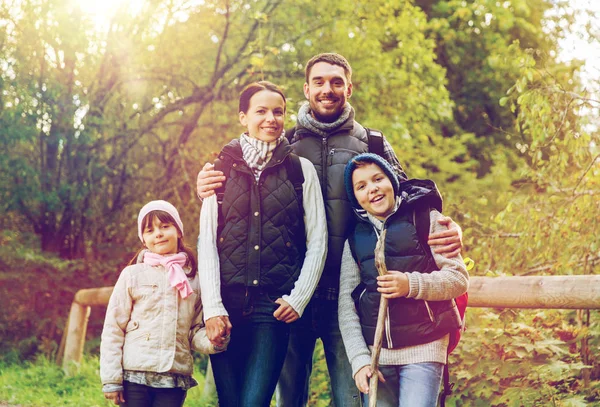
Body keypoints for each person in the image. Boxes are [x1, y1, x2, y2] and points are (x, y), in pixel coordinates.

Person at [196, 53, 462, 406]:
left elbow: (407, 199)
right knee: (289, 396)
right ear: (306, 89)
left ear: (349, 88)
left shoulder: (373, 143)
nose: (328, 89)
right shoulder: (282, 145)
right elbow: (239, 202)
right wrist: (203, 184)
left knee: (351, 396)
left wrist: (446, 225)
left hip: (351, 294)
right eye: (319, 82)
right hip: (290, 293)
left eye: (336, 82)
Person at [197, 81, 327, 407]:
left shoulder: (301, 171)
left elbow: (318, 241)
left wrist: (299, 298)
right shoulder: (220, 170)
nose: (271, 118)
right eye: (261, 111)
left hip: (273, 307)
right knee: (230, 402)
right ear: (243, 117)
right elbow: (207, 244)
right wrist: (212, 308)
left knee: (254, 401)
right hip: (226, 305)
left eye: (278, 112)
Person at [339, 153, 469, 406]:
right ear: (355, 198)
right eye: (361, 186)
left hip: (425, 348)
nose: (372, 188)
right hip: (376, 356)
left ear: (393, 181)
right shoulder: (354, 239)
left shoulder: (426, 219)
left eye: (378, 179)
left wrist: (411, 285)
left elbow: (458, 279)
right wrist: (359, 360)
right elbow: (346, 304)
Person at [100, 200, 221, 407]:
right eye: (150, 230)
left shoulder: (195, 279)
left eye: (165, 226)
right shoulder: (132, 275)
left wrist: (214, 340)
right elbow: (113, 329)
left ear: (179, 231)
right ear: (144, 239)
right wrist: (112, 380)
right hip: (134, 376)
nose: (158, 233)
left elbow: (194, 330)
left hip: (173, 377)